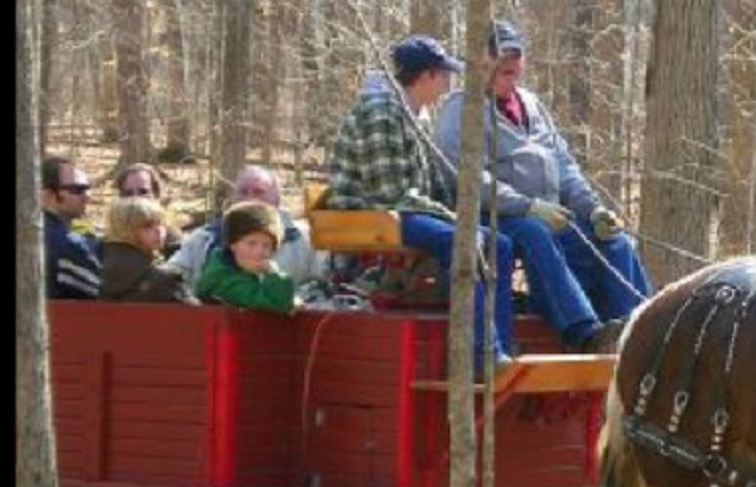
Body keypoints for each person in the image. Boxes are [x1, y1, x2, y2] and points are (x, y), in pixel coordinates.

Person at [434, 19, 653, 354]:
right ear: (483, 64)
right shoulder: (461, 108)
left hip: (550, 212)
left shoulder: (532, 105)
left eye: (515, 69)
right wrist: (527, 206)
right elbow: (467, 177)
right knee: (535, 233)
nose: (511, 76)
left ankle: (639, 328)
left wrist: (592, 208)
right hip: (494, 214)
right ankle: (584, 331)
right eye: (503, 69)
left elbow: (564, 165)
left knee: (613, 240)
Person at [326, 33, 516, 368]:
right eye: (443, 75)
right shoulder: (381, 114)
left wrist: (464, 209)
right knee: (463, 239)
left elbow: (430, 186)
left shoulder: (417, 114)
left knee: (497, 242)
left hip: (402, 212)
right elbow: (390, 194)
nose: (447, 83)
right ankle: (478, 353)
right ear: (426, 75)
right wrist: (451, 217)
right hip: (371, 215)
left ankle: (497, 350)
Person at [169, 165, 325, 287]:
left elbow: (323, 284)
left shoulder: (306, 238)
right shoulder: (204, 239)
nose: (250, 199)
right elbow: (174, 274)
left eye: (259, 192)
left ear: (277, 198)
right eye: (243, 192)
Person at [196, 201, 297, 314]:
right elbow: (277, 305)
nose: (259, 251)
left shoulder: (242, 272)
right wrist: (274, 273)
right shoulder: (224, 281)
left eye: (266, 245)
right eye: (251, 243)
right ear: (233, 245)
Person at [99, 197, 198, 304]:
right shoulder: (164, 280)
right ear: (125, 230)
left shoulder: (94, 267)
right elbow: (201, 317)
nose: (159, 230)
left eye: (160, 223)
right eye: (147, 226)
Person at [40, 155, 103, 300]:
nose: (87, 197)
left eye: (87, 189)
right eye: (77, 189)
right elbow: (99, 299)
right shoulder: (68, 245)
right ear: (48, 194)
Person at [113, 162, 186, 257]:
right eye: (129, 193)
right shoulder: (114, 237)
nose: (136, 198)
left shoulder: (172, 240)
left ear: (156, 194)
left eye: (143, 192)